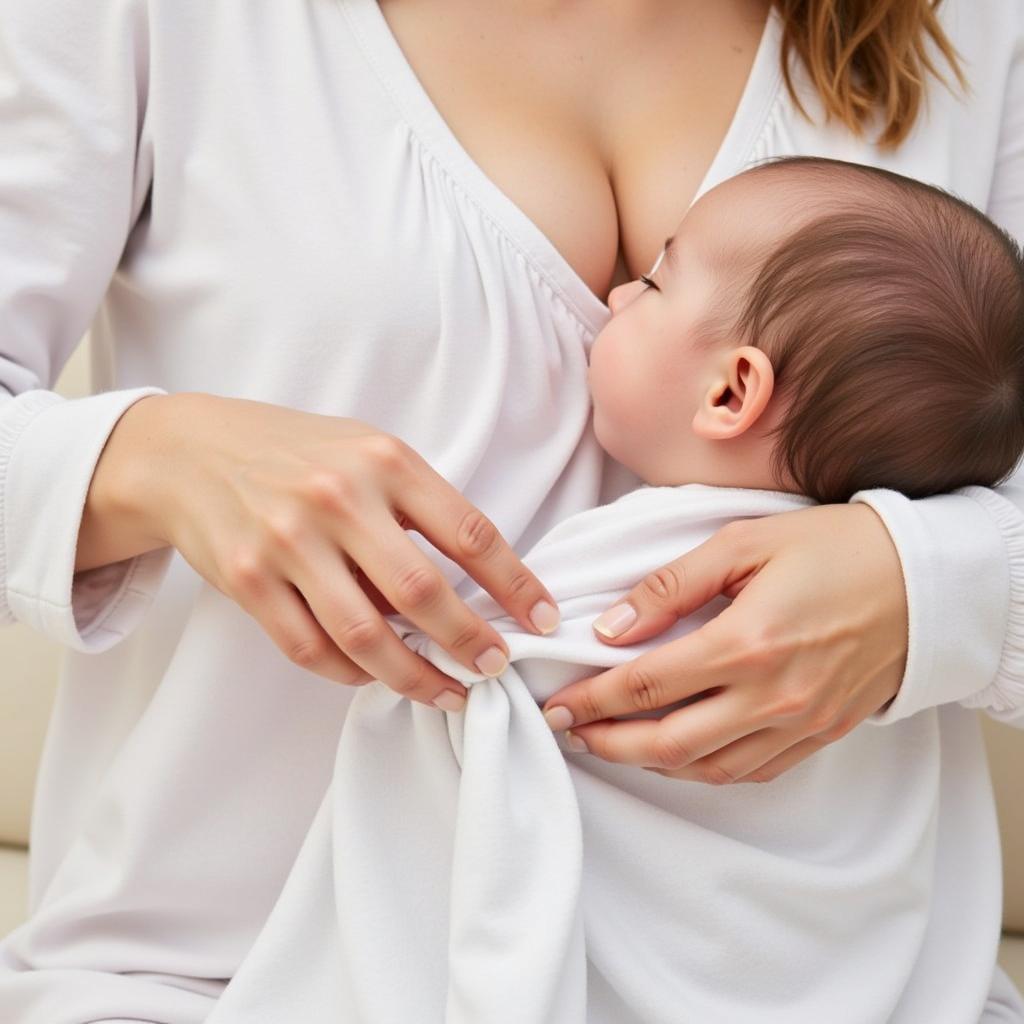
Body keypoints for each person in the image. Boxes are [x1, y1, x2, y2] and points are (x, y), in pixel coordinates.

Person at [0, 0, 1021, 1021]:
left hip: (833, 988)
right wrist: (151, 459)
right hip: (210, 978)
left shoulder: (971, 29)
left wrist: (926, 583)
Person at [191, 155, 1024, 1023]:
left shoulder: (658, 557)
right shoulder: (863, 561)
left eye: (656, 286)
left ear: (732, 391)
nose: (618, 297)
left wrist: (415, 628)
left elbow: (492, 682)